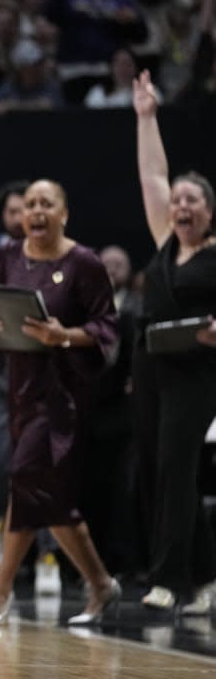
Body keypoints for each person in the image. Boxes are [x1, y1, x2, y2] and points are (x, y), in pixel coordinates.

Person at [0, 179, 121, 626]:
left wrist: (66, 336)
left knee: (24, 477)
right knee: (48, 498)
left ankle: (0, 592)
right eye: (30, 204)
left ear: (64, 214)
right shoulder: (7, 256)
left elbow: (107, 330)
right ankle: (100, 584)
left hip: (64, 393)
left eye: (46, 204)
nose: (35, 211)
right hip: (21, 385)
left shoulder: (84, 263)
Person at [130, 71, 216, 612]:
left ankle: (170, 582)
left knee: (176, 469)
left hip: (198, 368)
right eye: (177, 200)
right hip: (151, 365)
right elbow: (153, 173)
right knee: (156, 465)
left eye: (193, 201)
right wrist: (146, 117)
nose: (180, 206)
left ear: (209, 211)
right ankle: (208, 578)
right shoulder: (164, 241)